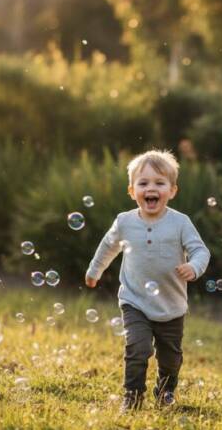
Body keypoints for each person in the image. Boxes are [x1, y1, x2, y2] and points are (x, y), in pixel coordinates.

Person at [85, 149, 210, 412]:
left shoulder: (180, 222)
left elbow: (200, 250)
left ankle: (165, 392)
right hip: (135, 300)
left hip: (171, 305)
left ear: (172, 190)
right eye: (143, 183)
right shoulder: (124, 222)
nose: (150, 188)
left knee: (171, 358)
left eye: (159, 183)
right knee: (137, 348)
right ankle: (132, 396)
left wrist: (194, 266)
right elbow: (108, 246)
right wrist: (95, 271)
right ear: (132, 191)